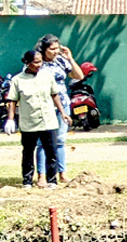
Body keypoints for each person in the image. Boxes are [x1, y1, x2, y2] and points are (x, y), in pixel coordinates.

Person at [4, 50, 71, 190]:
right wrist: (10, 119)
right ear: (27, 63)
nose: (39, 65)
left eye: (40, 61)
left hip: (49, 120)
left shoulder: (47, 76)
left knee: (51, 151)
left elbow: (55, 95)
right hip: (29, 123)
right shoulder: (17, 80)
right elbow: (12, 101)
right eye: (35, 62)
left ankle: (52, 180)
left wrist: (63, 113)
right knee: (28, 152)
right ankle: (27, 181)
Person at [34, 34, 83, 187]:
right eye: (52, 49)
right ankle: (42, 176)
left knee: (60, 140)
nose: (55, 51)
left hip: (63, 105)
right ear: (43, 49)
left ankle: (62, 173)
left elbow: (78, 75)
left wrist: (70, 59)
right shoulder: (36, 63)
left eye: (57, 48)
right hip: (44, 106)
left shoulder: (60, 61)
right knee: (43, 142)